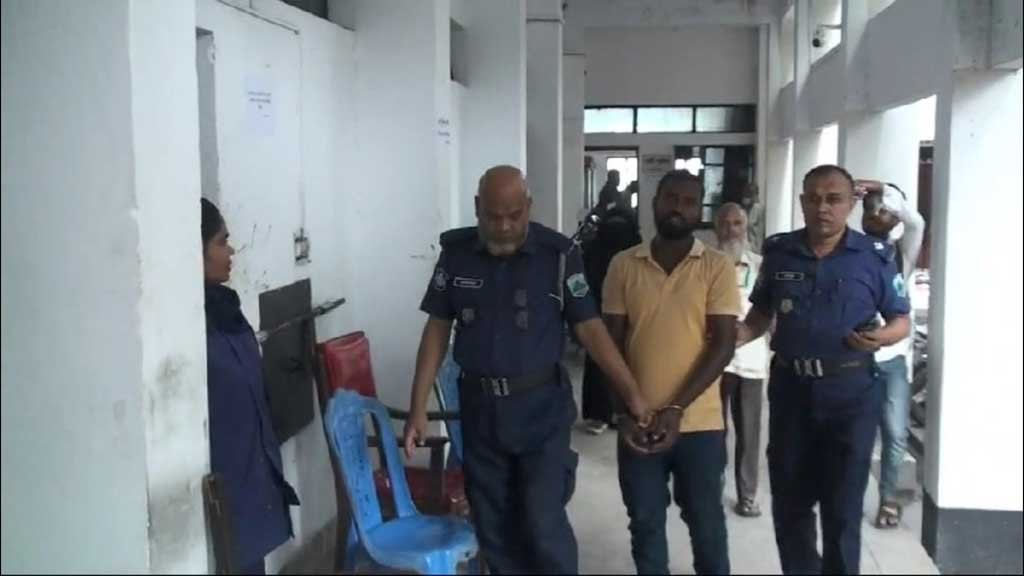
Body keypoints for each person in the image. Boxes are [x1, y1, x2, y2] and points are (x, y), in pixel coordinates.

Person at [403, 166, 651, 574]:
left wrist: (632, 395)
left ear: (528, 207)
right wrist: (418, 408)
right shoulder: (457, 255)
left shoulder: (558, 257)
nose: (503, 227)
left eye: (513, 216)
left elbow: (590, 328)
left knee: (542, 521)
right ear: (477, 208)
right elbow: (437, 330)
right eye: (493, 216)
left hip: (541, 410)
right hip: (481, 411)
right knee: (493, 525)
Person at [736, 165, 911, 575]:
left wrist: (881, 338)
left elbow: (901, 320)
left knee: (843, 508)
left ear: (850, 204)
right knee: (790, 504)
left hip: (850, 393)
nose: (822, 208)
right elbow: (760, 316)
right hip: (791, 391)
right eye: (813, 199)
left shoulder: (875, 256)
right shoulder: (780, 252)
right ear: (802, 203)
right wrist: (731, 338)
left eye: (833, 199)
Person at [603, 169, 741, 575]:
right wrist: (624, 412)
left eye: (688, 201)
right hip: (639, 421)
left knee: (706, 522)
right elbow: (609, 345)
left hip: (700, 424)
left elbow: (723, 344)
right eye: (670, 199)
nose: (678, 208)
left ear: (699, 211)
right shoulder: (623, 265)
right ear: (654, 203)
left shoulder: (717, 266)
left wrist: (677, 408)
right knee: (645, 521)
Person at [202, 198, 299, 575]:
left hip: (250, 479)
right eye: (221, 242)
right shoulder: (184, 323)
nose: (231, 252)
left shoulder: (226, 309)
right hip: (223, 482)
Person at [858, 179, 925, 529]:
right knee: (856, 434)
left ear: (895, 216)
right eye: (869, 209)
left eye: (883, 210)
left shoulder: (902, 253)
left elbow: (917, 223)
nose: (875, 214)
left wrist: (882, 188)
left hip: (893, 360)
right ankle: (851, 497)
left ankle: (888, 499)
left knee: (895, 434)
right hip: (856, 358)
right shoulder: (852, 251)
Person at [713, 202, 769, 519]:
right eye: (725, 223)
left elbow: (769, 313)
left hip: (751, 360)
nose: (731, 229)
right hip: (713, 361)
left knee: (749, 433)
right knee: (713, 430)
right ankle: (712, 487)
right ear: (715, 227)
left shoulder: (760, 266)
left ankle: (747, 495)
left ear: (746, 228)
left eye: (737, 223)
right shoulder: (704, 266)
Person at [581, 184, 642, 434]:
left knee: (601, 358)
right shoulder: (632, 241)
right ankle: (619, 410)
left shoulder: (598, 241)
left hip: (600, 306)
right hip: (618, 306)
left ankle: (600, 413)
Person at [740, 183, 766, 252]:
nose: (745, 198)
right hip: (745, 246)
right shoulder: (743, 210)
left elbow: (760, 232)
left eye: (748, 195)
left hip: (755, 246)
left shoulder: (759, 209)